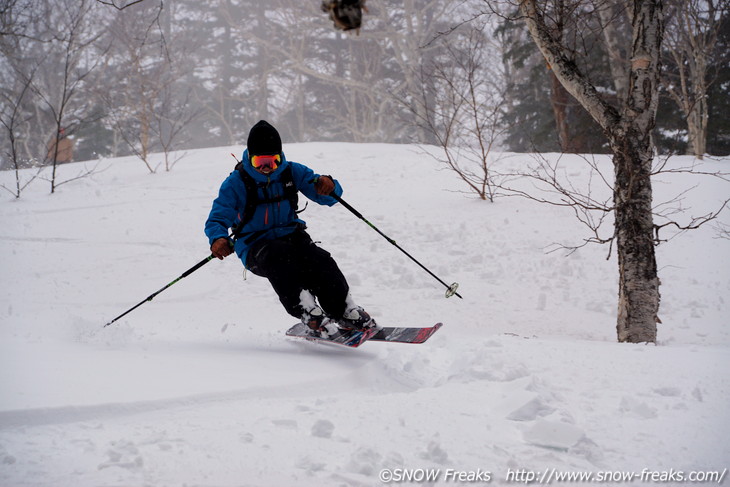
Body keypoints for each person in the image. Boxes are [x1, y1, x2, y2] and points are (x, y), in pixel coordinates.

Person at [205, 120, 374, 337]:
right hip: (256, 245)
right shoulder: (236, 183)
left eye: (272, 161)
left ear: (280, 157)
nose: (266, 168)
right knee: (280, 257)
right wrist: (217, 239)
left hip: (293, 237)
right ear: (250, 158)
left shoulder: (292, 172)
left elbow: (329, 196)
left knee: (320, 259)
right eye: (260, 162)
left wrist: (329, 186)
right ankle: (308, 313)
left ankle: (344, 311)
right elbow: (217, 218)